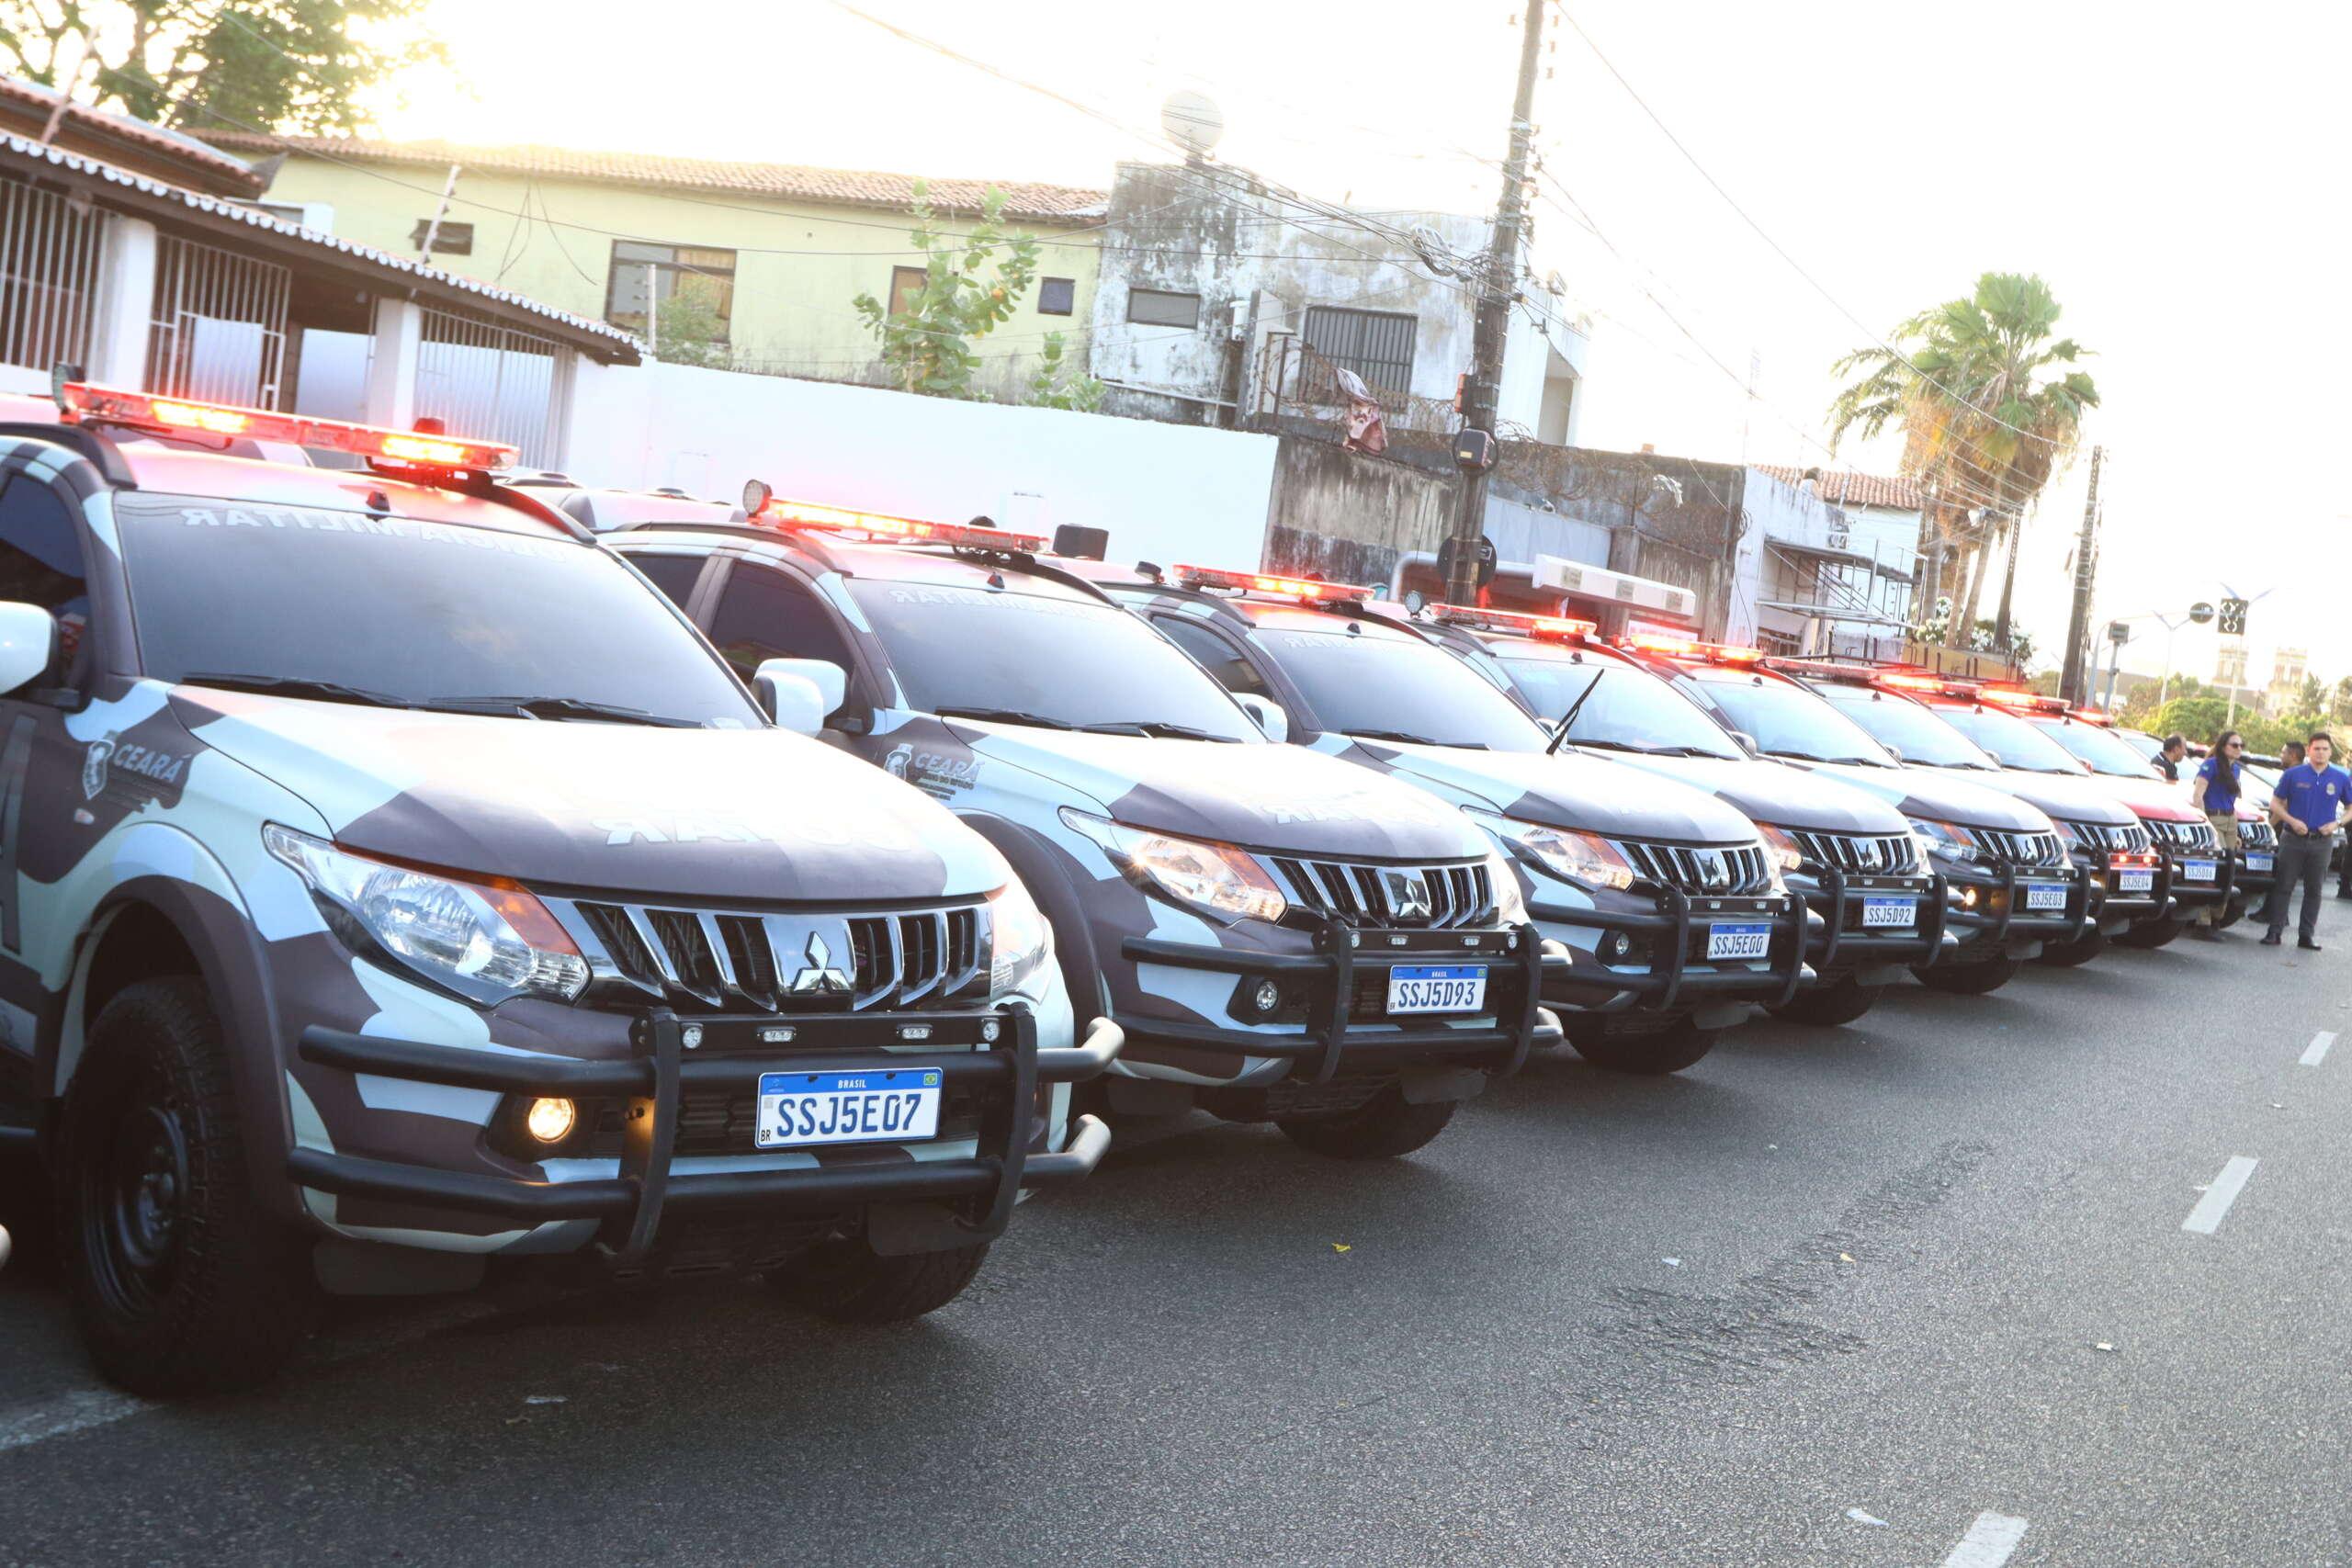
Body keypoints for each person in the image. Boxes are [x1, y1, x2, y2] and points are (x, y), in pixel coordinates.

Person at [2263, 732, 2350, 949]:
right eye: (2316, 748)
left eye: (2325, 749)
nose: (2320, 753)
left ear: (2330, 752)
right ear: (2309, 750)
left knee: (2314, 889)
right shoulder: (2294, 774)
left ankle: (2306, 935)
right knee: (2284, 885)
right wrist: (2291, 821)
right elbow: (2275, 803)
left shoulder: (2340, 778)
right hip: (2293, 838)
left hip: (2322, 841)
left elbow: (2350, 808)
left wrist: (2337, 824)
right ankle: (2274, 932)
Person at [2188, 730, 2245, 940]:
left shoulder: (2236, 769)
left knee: (2228, 871)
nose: (2238, 749)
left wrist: (2236, 832)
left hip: (2230, 820)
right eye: (2234, 745)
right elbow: (2198, 795)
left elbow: (2232, 801)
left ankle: (2216, 918)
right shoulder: (2211, 765)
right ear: (2223, 746)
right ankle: (2202, 922)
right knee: (2215, 869)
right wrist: (2205, 823)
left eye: (2241, 745)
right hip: (2213, 818)